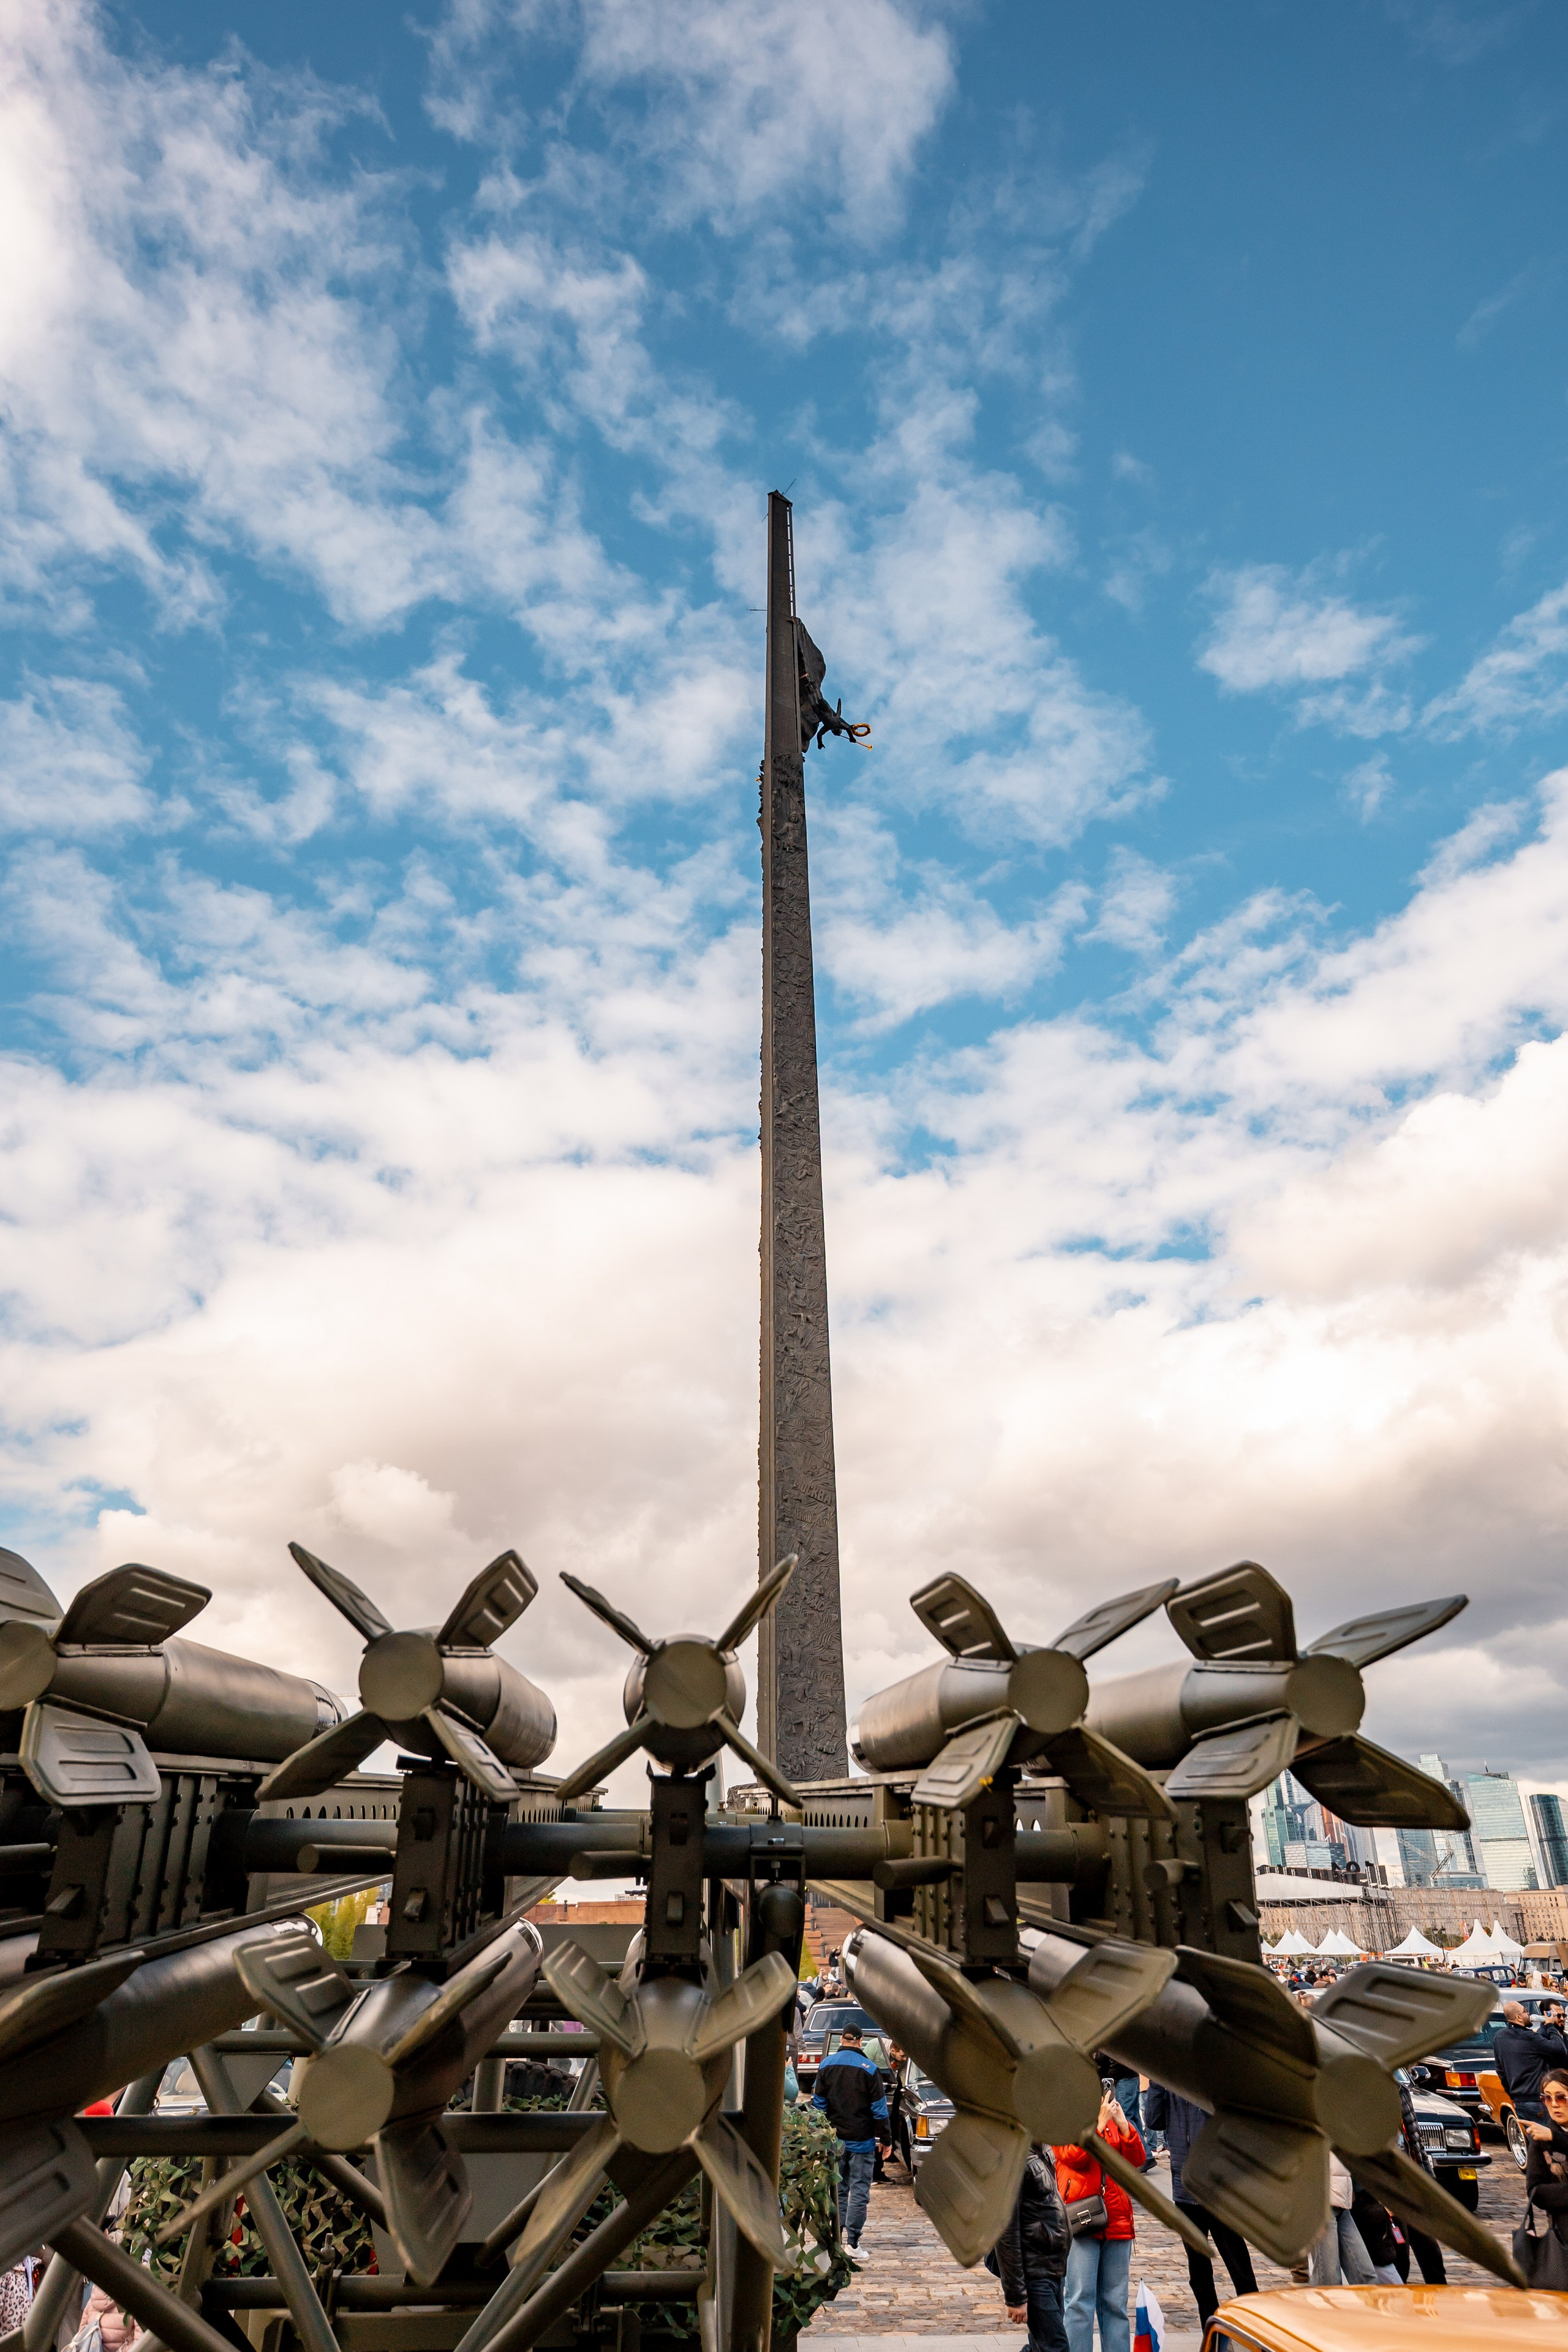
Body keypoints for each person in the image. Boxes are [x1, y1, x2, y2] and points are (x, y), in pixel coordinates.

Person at [1139, 2080, 1256, 2325]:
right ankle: (1210, 2333)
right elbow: (1153, 2122)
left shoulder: (1207, 2075)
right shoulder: (1169, 2080)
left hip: (1218, 2189)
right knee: (1199, 2276)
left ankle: (1256, 2328)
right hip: (1185, 2189)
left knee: (1239, 2268)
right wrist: (1158, 2084)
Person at [1056, 2086, 1145, 2352]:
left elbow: (1137, 2159)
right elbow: (1073, 2156)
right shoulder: (1064, 2119)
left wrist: (1124, 2126)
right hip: (1082, 2220)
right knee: (1080, 2302)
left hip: (1117, 2219)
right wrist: (1098, 2124)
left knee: (1116, 2304)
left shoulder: (1113, 2121)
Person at [813, 2022, 889, 2251]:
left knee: (838, 2190)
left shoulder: (826, 2065)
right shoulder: (869, 2068)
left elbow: (818, 2106)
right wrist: (886, 2139)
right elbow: (879, 2109)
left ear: (841, 2041)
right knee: (859, 2191)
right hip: (862, 2141)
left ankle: (835, 2239)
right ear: (860, 2040)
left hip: (835, 2140)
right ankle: (853, 2243)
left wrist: (821, 2137)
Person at [993, 2144, 1071, 2352]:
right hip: (1034, 2273)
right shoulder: (1014, 2158)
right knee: (1056, 2347)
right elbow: (1005, 2232)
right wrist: (1016, 2296)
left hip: (1052, 2268)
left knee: (1042, 2348)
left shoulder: (1040, 2148)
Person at [1495, 2000, 1568, 2128]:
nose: (1529, 2014)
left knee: (1535, 2140)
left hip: (1520, 2102)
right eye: (1525, 2011)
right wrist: (1550, 2026)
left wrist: (1512, 2094)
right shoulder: (1530, 2037)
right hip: (1538, 2100)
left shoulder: (1499, 2038)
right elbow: (1559, 2050)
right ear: (1518, 2017)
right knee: (1550, 2139)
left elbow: (1500, 2070)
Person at [1306, 2154, 1376, 2286]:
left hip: (1342, 2202)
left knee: (1367, 2278)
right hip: (1321, 2202)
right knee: (1328, 2282)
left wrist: (1354, 2187)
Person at [1521, 2065, 1568, 2232]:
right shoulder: (1540, 2140)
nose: (1554, 2105)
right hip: (1562, 2234)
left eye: (1561, 2098)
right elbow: (1536, 2192)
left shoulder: (1549, 2136)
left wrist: (1555, 2138)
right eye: (1547, 2098)